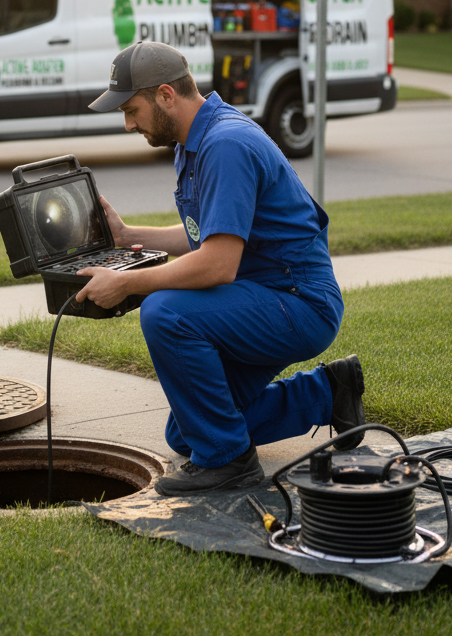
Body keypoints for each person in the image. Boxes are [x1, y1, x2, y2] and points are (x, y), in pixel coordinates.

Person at [76, 40, 365, 496]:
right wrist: (125, 235)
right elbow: (207, 234)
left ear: (166, 95)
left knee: (165, 312)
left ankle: (230, 463)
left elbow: (217, 265)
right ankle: (328, 393)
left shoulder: (225, 144)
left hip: (298, 303)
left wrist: (127, 283)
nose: (128, 123)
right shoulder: (194, 142)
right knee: (188, 433)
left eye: (132, 109)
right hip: (262, 298)